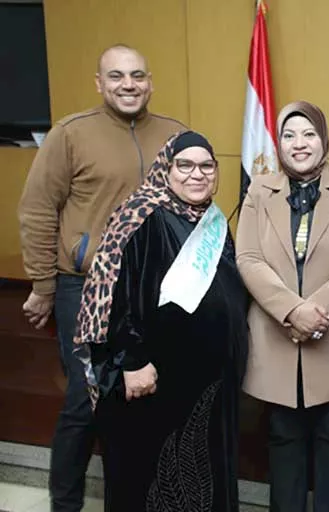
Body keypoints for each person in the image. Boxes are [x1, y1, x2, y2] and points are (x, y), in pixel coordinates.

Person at [16, 44, 184, 512]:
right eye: (116, 76)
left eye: (137, 75)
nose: (128, 84)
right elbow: (37, 210)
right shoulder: (70, 134)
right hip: (85, 286)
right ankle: (65, 504)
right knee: (85, 400)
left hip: (152, 290)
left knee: (142, 398)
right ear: (99, 83)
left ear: (150, 82)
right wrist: (42, 284)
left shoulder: (174, 134)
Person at [72, 131, 248, 511]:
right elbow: (112, 295)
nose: (197, 174)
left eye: (206, 166)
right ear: (165, 170)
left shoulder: (213, 220)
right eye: (185, 165)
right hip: (155, 381)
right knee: (158, 481)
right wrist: (132, 360)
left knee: (204, 476)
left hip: (209, 383)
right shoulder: (140, 217)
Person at [236, 101, 329, 512]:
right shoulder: (259, 189)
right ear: (278, 143)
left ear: (324, 140)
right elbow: (248, 258)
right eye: (289, 135)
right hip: (277, 339)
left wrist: (316, 311)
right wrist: (292, 311)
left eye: (309, 134)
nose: (299, 144)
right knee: (284, 446)